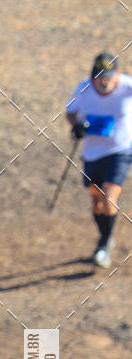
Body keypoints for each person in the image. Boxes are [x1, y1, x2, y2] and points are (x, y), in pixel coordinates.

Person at [66, 52, 132, 267]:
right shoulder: (83, 89)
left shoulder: (128, 88)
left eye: (107, 77)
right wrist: (76, 127)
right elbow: (70, 112)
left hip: (120, 151)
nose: (103, 82)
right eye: (99, 77)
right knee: (96, 200)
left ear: (117, 75)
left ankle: (103, 246)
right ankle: (105, 234)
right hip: (92, 153)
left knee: (109, 196)